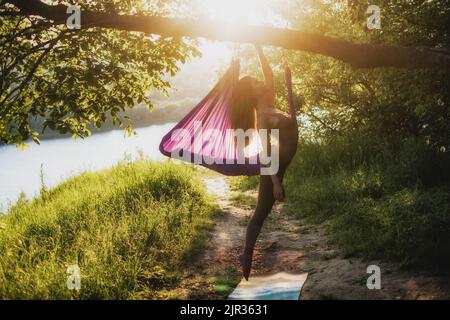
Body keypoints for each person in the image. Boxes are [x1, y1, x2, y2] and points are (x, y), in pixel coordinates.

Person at [230, 45, 299, 280]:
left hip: (282, 161)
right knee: (260, 213)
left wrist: (260, 48)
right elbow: (266, 155)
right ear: (253, 93)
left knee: (263, 211)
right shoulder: (262, 118)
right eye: (256, 84)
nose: (262, 82)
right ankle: (246, 255)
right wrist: (276, 183)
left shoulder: (268, 101)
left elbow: (269, 74)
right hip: (274, 167)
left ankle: (246, 253)